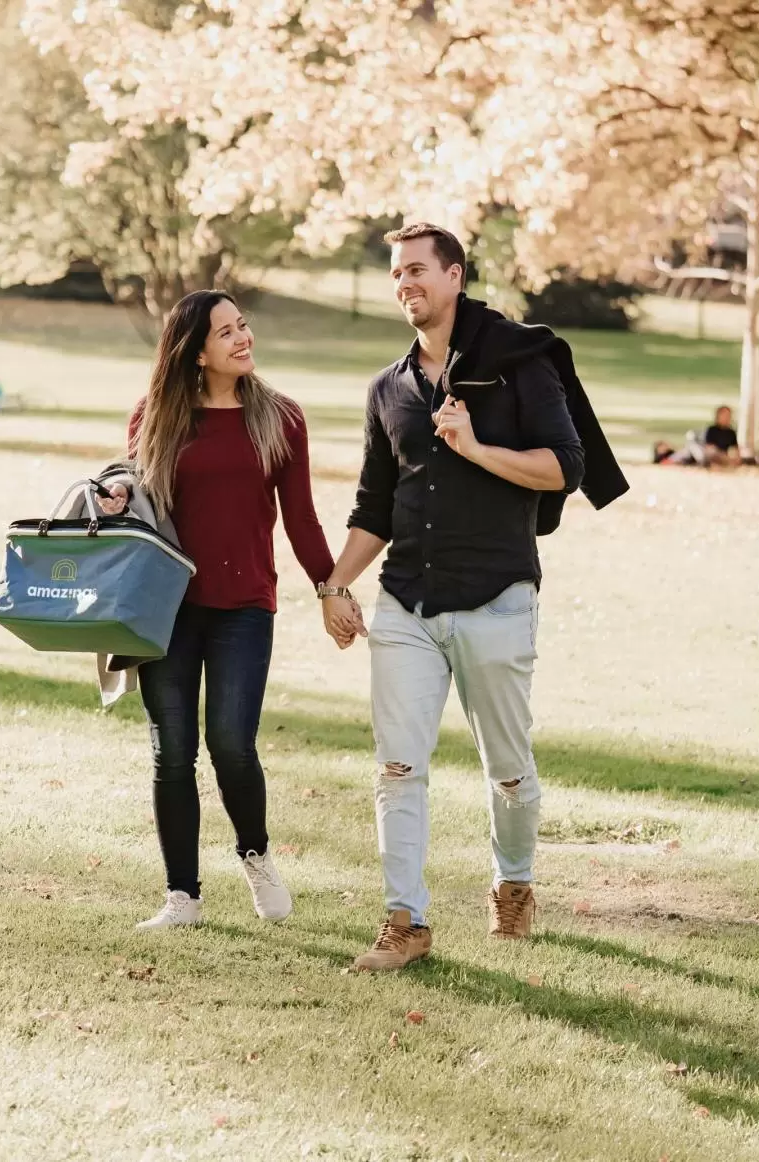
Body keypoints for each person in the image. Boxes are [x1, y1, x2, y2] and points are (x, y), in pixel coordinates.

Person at [318, 223, 627, 972]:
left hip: (497, 599)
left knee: (509, 771)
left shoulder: (519, 366)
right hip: (407, 604)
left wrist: (477, 448)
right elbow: (374, 508)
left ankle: (514, 884)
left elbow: (566, 467)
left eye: (418, 271)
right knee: (397, 768)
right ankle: (405, 922)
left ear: (456, 276)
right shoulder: (387, 389)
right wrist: (334, 584)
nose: (405, 285)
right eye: (396, 274)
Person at [98, 291, 336, 930]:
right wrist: (119, 496)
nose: (242, 338)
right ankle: (183, 896)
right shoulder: (153, 416)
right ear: (195, 351)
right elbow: (142, 505)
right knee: (170, 748)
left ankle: (255, 856)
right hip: (165, 609)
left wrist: (330, 587)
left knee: (231, 743)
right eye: (225, 331)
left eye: (243, 326)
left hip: (244, 607)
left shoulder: (280, 418)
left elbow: (302, 517)